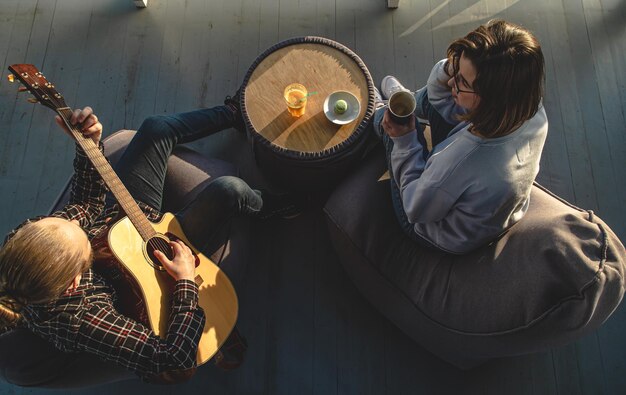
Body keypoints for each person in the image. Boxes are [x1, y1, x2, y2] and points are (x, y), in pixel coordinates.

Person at [0, 95, 296, 382]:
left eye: (65, 221)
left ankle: (234, 113)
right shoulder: (82, 320)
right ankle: (275, 207)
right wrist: (184, 282)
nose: (75, 221)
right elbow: (173, 358)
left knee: (156, 127)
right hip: (144, 268)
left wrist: (87, 145)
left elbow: (87, 207)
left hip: (124, 224)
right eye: (82, 238)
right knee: (230, 189)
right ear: (74, 282)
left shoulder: (27, 239)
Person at [372, 19, 548, 254]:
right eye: (456, 68)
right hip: (481, 203)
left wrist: (404, 141)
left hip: (433, 230)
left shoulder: (463, 160)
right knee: (436, 98)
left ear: (491, 98)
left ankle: (379, 110)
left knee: (390, 125)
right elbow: (444, 90)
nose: (452, 80)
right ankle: (407, 103)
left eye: (463, 81)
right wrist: (452, 71)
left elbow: (415, 209)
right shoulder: (529, 106)